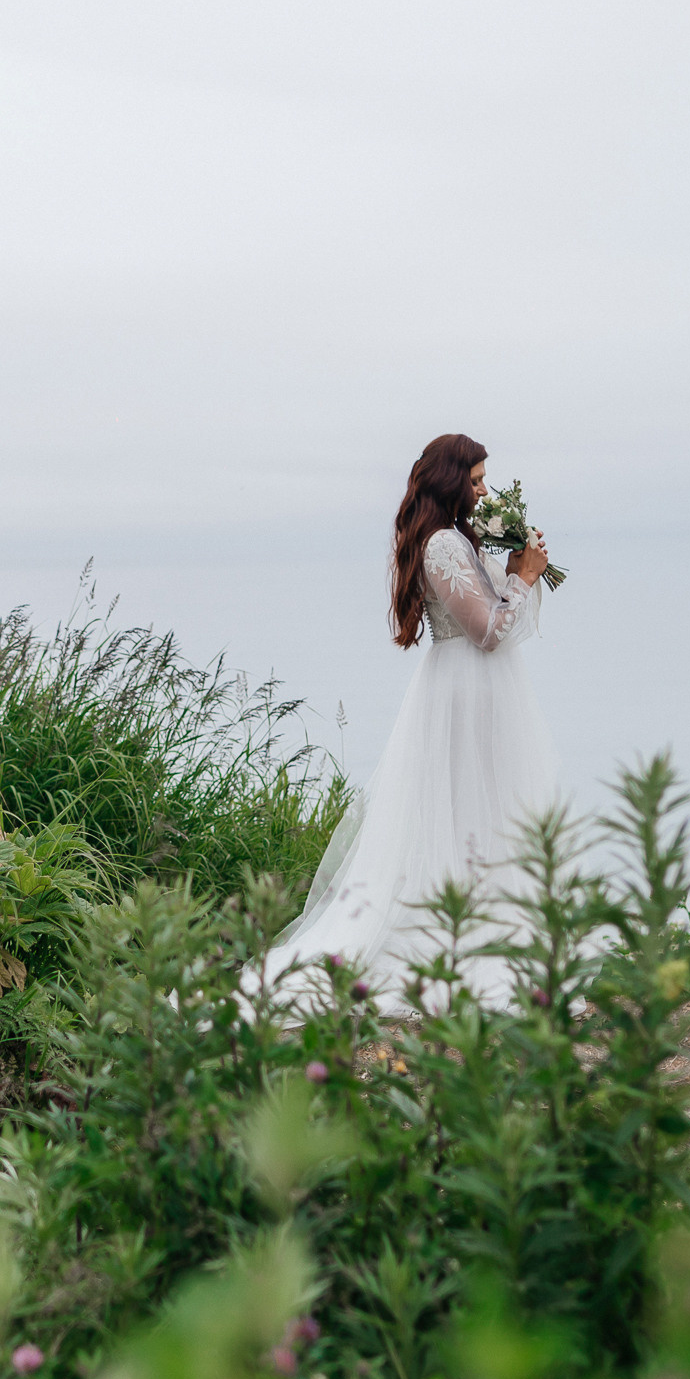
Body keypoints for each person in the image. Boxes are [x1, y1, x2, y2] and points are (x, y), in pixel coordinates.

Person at [260, 432, 558, 1012]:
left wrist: (515, 568)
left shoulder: (460, 539)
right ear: (451, 481)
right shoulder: (442, 544)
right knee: (464, 804)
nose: (484, 490)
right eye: (476, 481)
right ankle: (457, 932)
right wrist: (523, 578)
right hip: (464, 685)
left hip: (483, 686)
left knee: (491, 805)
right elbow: (487, 631)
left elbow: (495, 613)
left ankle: (494, 921)